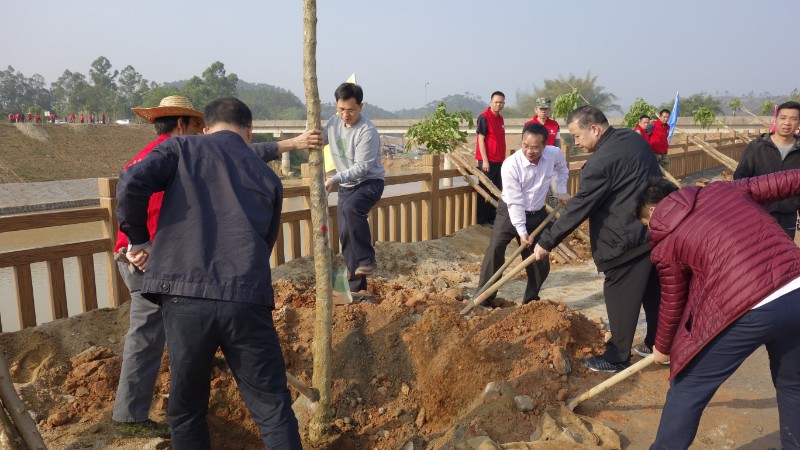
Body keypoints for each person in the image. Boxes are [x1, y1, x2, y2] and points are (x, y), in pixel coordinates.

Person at [111, 95, 321, 440]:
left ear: (206, 129)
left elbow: (132, 182)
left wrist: (137, 240)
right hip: (246, 298)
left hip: (182, 298)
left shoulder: (180, 150)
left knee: (187, 410)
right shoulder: (266, 177)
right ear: (249, 132)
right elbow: (263, 241)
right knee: (272, 409)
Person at [637, 172, 800, 450]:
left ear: (654, 210)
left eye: (646, 223)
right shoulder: (725, 190)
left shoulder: (665, 241)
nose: (650, 229)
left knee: (688, 388)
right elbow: (786, 181)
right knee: (793, 383)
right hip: (796, 287)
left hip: (748, 305)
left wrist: (662, 348)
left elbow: (673, 301)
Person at [533, 106, 662, 373]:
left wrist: (547, 241)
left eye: (577, 136)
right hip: (654, 231)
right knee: (652, 292)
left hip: (624, 240)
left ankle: (617, 356)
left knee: (620, 296)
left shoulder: (600, 162)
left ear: (594, 129)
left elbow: (581, 206)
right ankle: (658, 344)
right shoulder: (632, 139)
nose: (575, 142)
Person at [110, 95, 204, 438]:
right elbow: (130, 191)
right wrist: (138, 242)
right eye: (196, 126)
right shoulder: (172, 156)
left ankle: (206, 358)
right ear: (181, 124)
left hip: (147, 255)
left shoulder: (156, 153)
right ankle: (129, 415)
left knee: (186, 313)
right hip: (145, 260)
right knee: (147, 334)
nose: (200, 133)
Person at [476, 122, 569, 307]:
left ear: (545, 145)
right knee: (495, 249)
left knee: (539, 258)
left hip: (536, 214)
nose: (529, 151)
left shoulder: (554, 154)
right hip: (509, 212)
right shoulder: (511, 164)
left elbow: (562, 168)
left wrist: (562, 190)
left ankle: (530, 302)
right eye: (525, 146)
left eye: (535, 147)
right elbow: (515, 201)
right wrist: (521, 231)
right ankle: (484, 299)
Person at [323, 82, 385, 294]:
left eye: (350, 109)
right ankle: (356, 288)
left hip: (369, 183)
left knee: (351, 209)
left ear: (360, 106)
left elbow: (362, 168)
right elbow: (321, 137)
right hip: (347, 187)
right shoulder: (333, 123)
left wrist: (334, 179)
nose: (345, 114)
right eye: (341, 109)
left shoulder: (367, 132)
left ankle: (368, 259)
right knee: (345, 236)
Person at [733, 100, 800, 238]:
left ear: (798, 123)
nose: (787, 123)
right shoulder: (756, 148)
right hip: (757, 215)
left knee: (784, 256)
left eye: (793, 119)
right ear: (775, 120)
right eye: (783, 118)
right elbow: (739, 181)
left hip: (788, 217)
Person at [475, 91, 507, 225]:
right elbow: (480, 140)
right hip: (487, 162)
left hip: (499, 161)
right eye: (496, 102)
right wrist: (485, 160)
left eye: (501, 102)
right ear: (490, 103)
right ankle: (482, 221)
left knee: (497, 190)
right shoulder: (484, 117)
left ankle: (493, 219)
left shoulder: (500, 119)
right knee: (485, 190)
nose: (498, 105)